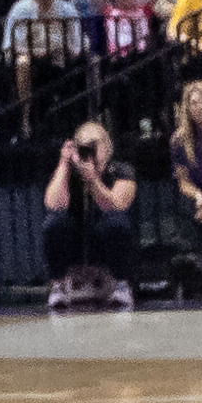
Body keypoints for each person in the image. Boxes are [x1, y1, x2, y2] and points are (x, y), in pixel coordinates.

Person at [41, 120, 138, 308]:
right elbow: (54, 204)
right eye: (83, 145)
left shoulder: (120, 170)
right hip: (76, 235)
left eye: (94, 144)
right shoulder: (67, 172)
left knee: (116, 223)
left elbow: (116, 205)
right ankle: (58, 286)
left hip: (105, 236)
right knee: (54, 223)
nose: (89, 150)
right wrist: (64, 164)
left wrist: (93, 180)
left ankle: (121, 285)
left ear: (107, 146)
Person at [172, 79, 202, 296]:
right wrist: (200, 197)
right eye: (193, 103)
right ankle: (192, 260)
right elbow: (183, 182)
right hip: (199, 190)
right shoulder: (179, 140)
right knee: (186, 204)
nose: (198, 108)